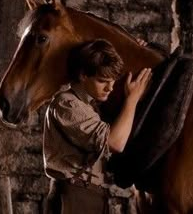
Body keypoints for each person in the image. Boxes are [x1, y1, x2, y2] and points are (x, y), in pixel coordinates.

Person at [43, 39, 152, 214]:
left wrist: (135, 51)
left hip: (93, 195)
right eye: (102, 81)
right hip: (74, 196)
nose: (110, 88)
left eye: (113, 81)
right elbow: (114, 143)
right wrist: (132, 99)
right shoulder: (67, 104)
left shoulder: (91, 106)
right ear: (83, 75)